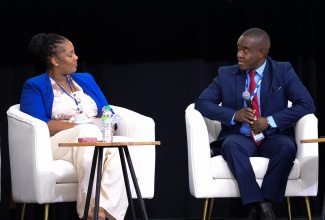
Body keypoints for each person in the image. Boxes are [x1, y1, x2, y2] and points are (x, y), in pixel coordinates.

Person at [195, 28, 315, 220]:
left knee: (286, 148)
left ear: (261, 52)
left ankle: (258, 203)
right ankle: (262, 206)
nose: (238, 55)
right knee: (231, 145)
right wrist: (234, 115)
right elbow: (202, 103)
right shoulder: (226, 74)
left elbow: (307, 104)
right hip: (241, 137)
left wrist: (270, 121)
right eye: (238, 49)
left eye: (245, 50)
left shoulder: (282, 71)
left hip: (273, 137)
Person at [20, 33, 128, 220]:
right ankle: (89, 210)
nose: (76, 58)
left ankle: (100, 212)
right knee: (87, 131)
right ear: (54, 60)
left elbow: (105, 109)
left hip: (94, 136)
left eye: (75, 53)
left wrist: (108, 125)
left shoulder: (86, 79)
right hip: (57, 144)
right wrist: (85, 125)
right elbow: (39, 124)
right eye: (70, 54)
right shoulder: (35, 85)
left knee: (121, 146)